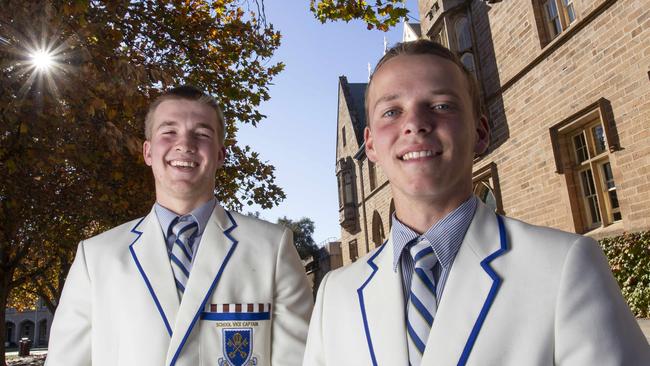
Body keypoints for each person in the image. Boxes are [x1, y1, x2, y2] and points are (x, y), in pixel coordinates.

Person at [303, 40, 649, 365]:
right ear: (372, 145)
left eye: (441, 105)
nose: (415, 124)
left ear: (481, 131)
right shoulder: (336, 295)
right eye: (392, 111)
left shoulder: (564, 267)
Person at [47, 86, 313, 366]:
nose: (184, 144)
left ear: (221, 155)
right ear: (148, 152)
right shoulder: (95, 258)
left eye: (202, 134)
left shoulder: (273, 248)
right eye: (169, 132)